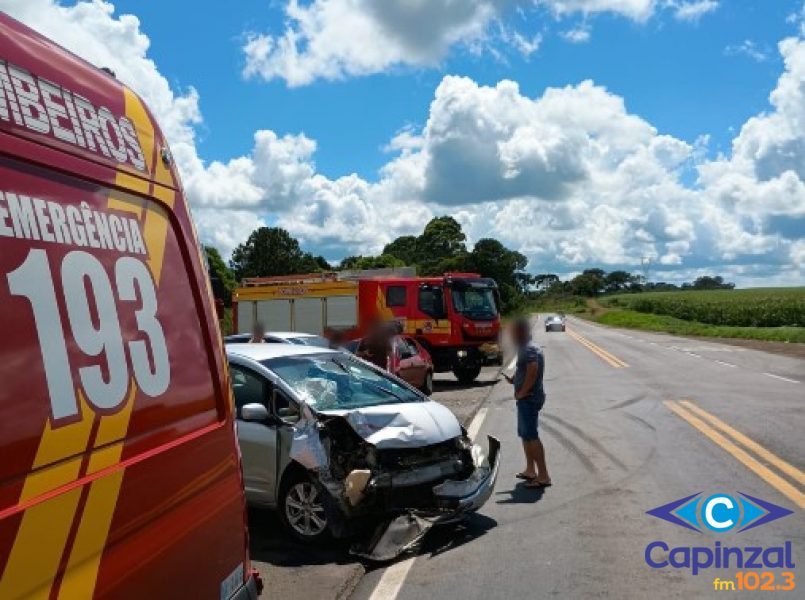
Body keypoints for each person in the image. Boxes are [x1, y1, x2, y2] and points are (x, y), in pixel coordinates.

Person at [504, 317, 550, 488]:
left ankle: (543, 476)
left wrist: (522, 392)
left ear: (521, 331)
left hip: (528, 398)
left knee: (531, 436)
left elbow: (532, 370)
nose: (511, 336)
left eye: (513, 332)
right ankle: (531, 470)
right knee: (525, 435)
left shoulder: (528, 349)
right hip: (528, 397)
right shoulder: (528, 347)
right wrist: (515, 379)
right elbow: (524, 369)